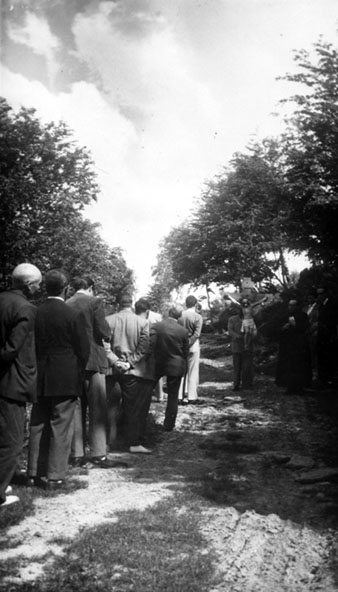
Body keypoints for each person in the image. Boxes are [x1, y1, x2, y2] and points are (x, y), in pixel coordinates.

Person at [27, 270, 90, 489]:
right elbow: (84, 349)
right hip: (65, 376)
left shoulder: (35, 312)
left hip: (39, 374)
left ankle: (33, 472)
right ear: (66, 289)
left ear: (46, 288)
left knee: (37, 423)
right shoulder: (72, 314)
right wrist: (78, 371)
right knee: (61, 425)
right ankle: (55, 476)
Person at [0, 263, 42, 507]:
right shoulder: (26, 308)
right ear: (28, 285)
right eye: (37, 283)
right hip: (11, 381)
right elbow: (12, 349)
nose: (39, 288)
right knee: (13, 440)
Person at [66, 276, 115, 468]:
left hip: (73, 363)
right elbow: (104, 331)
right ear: (91, 288)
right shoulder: (95, 302)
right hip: (94, 361)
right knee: (97, 408)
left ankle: (76, 454)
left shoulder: (67, 303)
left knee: (76, 408)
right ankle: (98, 454)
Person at [105, 293, 151, 454]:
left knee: (111, 406)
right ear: (131, 304)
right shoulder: (143, 322)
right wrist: (129, 363)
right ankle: (132, 442)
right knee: (132, 407)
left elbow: (105, 345)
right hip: (133, 371)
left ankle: (109, 442)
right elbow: (143, 347)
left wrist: (115, 361)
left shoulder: (108, 320)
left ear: (118, 304)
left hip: (112, 370)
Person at [150, 303, 189, 431]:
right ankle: (169, 425)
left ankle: (143, 419)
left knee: (147, 393)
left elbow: (151, 345)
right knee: (173, 396)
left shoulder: (157, 326)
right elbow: (185, 352)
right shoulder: (183, 331)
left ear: (169, 313)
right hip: (175, 365)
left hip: (158, 363)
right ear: (179, 316)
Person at [275, 299, 312, 395]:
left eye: (293, 305)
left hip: (299, 346)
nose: (291, 307)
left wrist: (295, 325)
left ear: (297, 306)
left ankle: (299, 387)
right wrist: (283, 327)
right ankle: (289, 387)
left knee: (299, 367)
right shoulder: (285, 315)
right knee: (288, 367)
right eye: (290, 305)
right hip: (287, 346)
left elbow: (306, 328)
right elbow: (278, 329)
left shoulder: (303, 316)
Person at [178, 295, 203, 404]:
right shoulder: (197, 317)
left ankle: (179, 395)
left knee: (182, 371)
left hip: (181, 345)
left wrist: (183, 343)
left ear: (186, 303)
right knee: (193, 371)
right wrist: (189, 343)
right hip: (193, 345)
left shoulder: (180, 316)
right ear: (195, 304)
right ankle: (192, 397)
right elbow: (197, 334)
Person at [228, 305, 257, 391]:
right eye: (239, 309)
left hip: (247, 346)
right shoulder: (232, 319)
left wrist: (252, 336)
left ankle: (247, 384)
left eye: (243, 309)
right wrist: (237, 336)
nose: (241, 311)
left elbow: (254, 331)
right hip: (237, 346)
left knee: (247, 366)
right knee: (237, 366)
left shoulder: (249, 320)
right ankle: (236, 384)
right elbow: (230, 330)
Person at [315, 286, 338, 388]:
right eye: (318, 294)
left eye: (321, 294)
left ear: (325, 294)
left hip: (329, 336)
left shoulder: (331, 305)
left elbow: (333, 320)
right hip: (322, 335)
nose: (319, 296)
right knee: (322, 358)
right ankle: (323, 380)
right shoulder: (321, 306)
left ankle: (330, 380)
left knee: (329, 358)